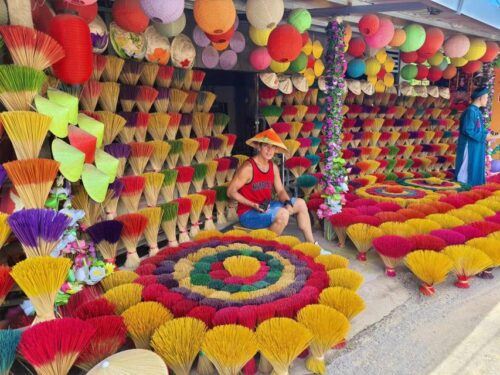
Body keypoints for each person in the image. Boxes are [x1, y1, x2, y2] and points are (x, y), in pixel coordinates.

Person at [227, 128, 315, 243]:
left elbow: (280, 191)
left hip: (266, 207)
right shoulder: (248, 168)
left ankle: (312, 243)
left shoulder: (273, 167)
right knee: (283, 214)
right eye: (266, 146)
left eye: (273, 147)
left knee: (300, 203)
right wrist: (253, 204)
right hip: (248, 213)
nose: (269, 151)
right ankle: (266, 246)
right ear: (259, 147)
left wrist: (287, 202)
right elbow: (230, 191)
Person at [455, 86, 489, 187]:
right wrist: (484, 137)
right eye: (486, 97)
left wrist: (487, 135)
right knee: (467, 169)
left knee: (475, 166)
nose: (487, 100)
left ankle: (473, 188)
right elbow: (468, 130)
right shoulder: (470, 111)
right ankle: (462, 188)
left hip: (476, 145)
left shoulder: (476, 111)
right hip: (469, 146)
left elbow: (477, 129)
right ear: (480, 98)